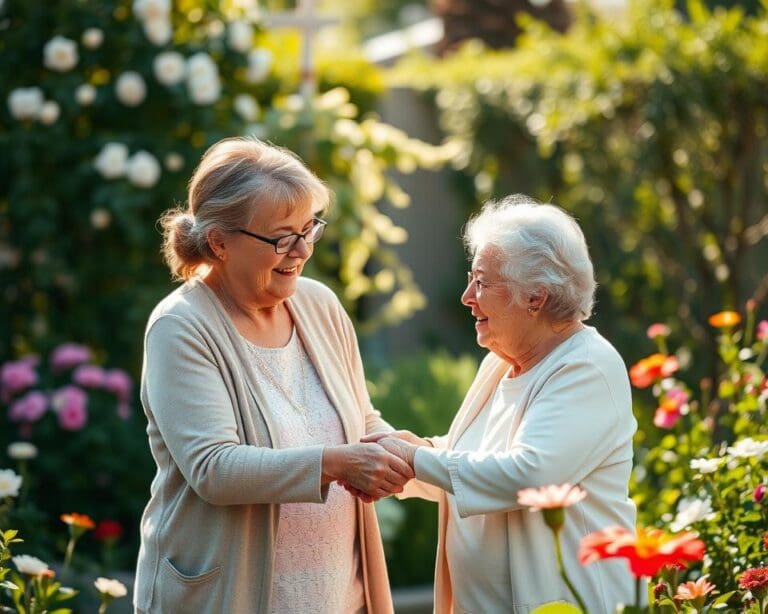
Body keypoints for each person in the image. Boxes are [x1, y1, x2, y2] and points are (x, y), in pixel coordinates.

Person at [133, 136, 412, 613]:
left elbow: (360, 419)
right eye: (282, 237)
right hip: (228, 598)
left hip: (338, 598)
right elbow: (213, 469)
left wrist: (392, 446)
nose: (302, 251)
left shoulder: (320, 304)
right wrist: (335, 463)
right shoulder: (180, 327)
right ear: (219, 242)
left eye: (310, 229)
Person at [365, 195, 638, 612]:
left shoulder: (587, 367)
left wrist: (417, 461)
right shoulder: (499, 363)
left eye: (482, 282)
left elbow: (529, 475)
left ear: (536, 297)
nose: (467, 296)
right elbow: (474, 462)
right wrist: (408, 458)